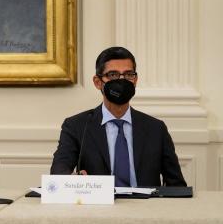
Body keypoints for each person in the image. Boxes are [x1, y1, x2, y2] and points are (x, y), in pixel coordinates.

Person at [50, 46, 186, 187]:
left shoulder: (156, 129)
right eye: (113, 75)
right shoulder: (77, 126)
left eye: (128, 75)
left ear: (135, 80)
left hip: (146, 207)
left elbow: (176, 185)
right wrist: (73, 181)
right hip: (98, 207)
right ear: (98, 82)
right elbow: (59, 172)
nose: (122, 81)